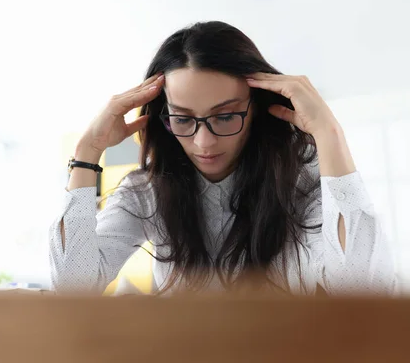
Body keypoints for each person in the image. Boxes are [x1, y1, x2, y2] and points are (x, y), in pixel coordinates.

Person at [49, 21, 396, 296]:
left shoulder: (301, 180)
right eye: (183, 119)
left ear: (255, 108)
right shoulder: (146, 191)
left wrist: (329, 135)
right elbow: (72, 288)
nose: (204, 142)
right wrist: (87, 152)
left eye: (226, 116)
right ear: (164, 119)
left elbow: (366, 290)